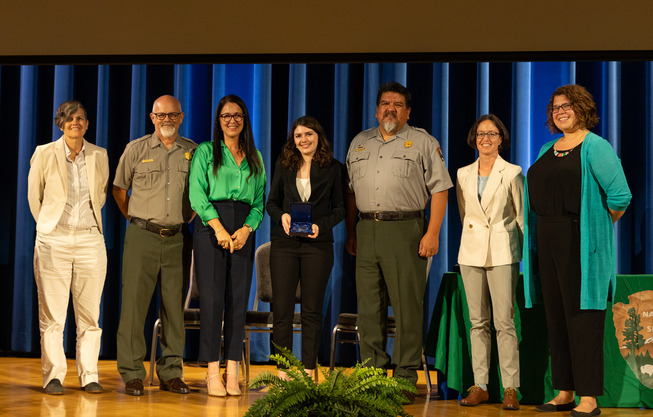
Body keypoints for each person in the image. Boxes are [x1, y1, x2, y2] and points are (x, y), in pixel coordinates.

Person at [523, 85, 631, 417]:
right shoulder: (546, 147)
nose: (560, 111)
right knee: (556, 319)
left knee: (583, 320)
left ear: (582, 108)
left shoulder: (595, 146)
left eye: (567, 106)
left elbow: (620, 197)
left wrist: (596, 225)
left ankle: (588, 398)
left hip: (580, 243)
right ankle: (564, 391)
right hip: (547, 240)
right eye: (555, 108)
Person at [345, 81, 452, 401]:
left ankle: (405, 376)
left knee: (407, 307)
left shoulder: (422, 142)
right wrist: (351, 232)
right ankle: (372, 374)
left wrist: (432, 233)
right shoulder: (359, 142)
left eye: (397, 104)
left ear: (407, 112)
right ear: (377, 110)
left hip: (406, 230)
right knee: (369, 307)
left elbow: (440, 189)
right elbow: (350, 193)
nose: (390, 109)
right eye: (385, 104)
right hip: (366, 230)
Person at [114, 95, 197, 396]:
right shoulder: (135, 149)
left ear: (181, 117)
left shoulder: (193, 151)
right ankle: (133, 373)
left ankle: (171, 372)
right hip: (141, 237)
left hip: (177, 238)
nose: (167, 120)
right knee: (134, 307)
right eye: (161, 115)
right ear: (152, 117)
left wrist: (187, 217)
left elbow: (201, 193)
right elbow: (119, 189)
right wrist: (137, 219)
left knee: (174, 308)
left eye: (173, 115)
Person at [27, 100, 109, 395]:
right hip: (54, 239)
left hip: (90, 239)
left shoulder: (100, 155)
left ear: (87, 124)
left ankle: (89, 375)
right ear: (60, 123)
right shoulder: (45, 153)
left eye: (81, 118)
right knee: (53, 315)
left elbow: (99, 196)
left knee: (90, 315)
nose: (76, 122)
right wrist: (49, 227)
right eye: (70, 118)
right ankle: (53, 376)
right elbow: (35, 197)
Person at [188, 95, 266, 397]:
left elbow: (258, 203)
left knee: (237, 302)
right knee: (211, 302)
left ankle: (232, 371)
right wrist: (218, 227)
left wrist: (248, 228)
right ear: (218, 121)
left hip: (243, 230)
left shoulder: (255, 157)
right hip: (211, 229)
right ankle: (211, 372)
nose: (232, 120)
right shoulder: (206, 152)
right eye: (225, 116)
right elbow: (197, 195)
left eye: (237, 115)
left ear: (244, 120)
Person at [266, 116, 346, 379]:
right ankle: (283, 373)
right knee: (282, 310)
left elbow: (341, 209)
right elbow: (272, 203)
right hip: (285, 244)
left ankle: (310, 372)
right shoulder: (284, 164)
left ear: (318, 137)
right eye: (298, 136)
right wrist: (282, 217)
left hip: (317, 246)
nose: (303, 140)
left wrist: (320, 226)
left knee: (312, 310)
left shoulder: (334, 168)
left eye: (308, 135)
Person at [456, 114, 523, 410]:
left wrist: (522, 255)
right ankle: (480, 385)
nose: (486, 139)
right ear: (474, 138)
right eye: (481, 134)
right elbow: (464, 214)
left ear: (501, 138)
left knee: (504, 323)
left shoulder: (513, 172)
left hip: (502, 251)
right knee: (477, 322)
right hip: (470, 252)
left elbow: (520, 217)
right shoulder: (462, 173)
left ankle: (511, 387)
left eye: (492, 134)